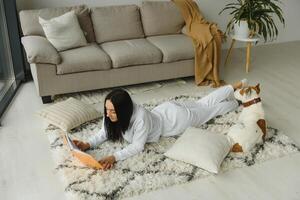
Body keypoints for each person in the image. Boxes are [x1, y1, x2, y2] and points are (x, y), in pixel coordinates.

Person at [73, 79, 248, 170]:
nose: (107, 114)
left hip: (176, 120)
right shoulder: (111, 114)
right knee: (202, 104)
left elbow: (137, 146)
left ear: (124, 110)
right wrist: (88, 143)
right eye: (107, 110)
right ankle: (233, 87)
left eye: (112, 111)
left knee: (208, 110)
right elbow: (104, 132)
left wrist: (114, 157)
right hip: (165, 110)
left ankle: (237, 101)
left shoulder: (139, 117)